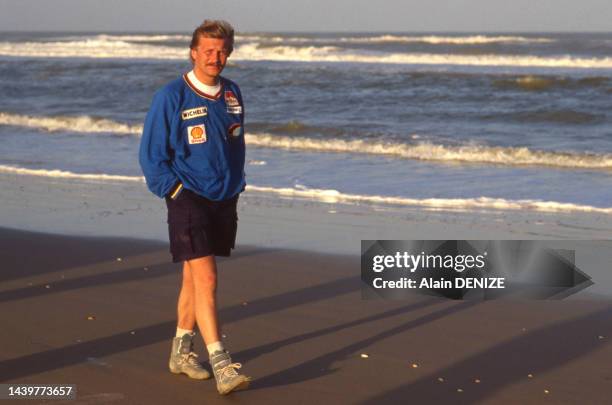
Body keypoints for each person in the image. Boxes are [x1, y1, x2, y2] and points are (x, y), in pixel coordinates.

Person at [139, 19, 250, 395]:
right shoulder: (171, 96)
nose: (214, 57)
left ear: (229, 53)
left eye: (221, 51)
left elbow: (234, 143)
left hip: (224, 197)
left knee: (192, 279)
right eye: (207, 50)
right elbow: (151, 155)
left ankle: (181, 353)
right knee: (207, 278)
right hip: (186, 196)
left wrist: (237, 182)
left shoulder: (232, 93)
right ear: (193, 52)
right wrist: (172, 190)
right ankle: (222, 363)